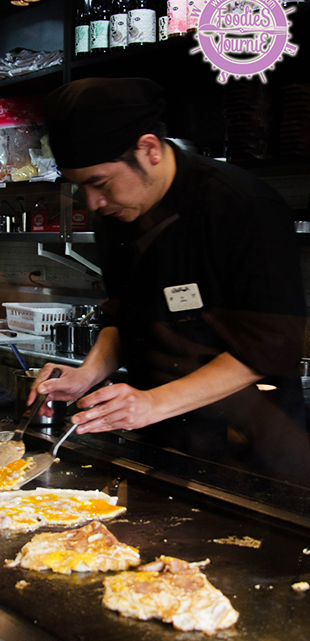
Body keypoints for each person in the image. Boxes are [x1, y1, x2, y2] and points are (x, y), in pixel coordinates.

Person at [28, 77, 310, 481]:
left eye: (100, 183)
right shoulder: (116, 214)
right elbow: (124, 312)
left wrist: (153, 403)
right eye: (80, 187)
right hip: (160, 445)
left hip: (251, 446)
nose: (92, 202)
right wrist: (87, 375)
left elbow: (270, 346)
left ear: (149, 150)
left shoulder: (243, 205)